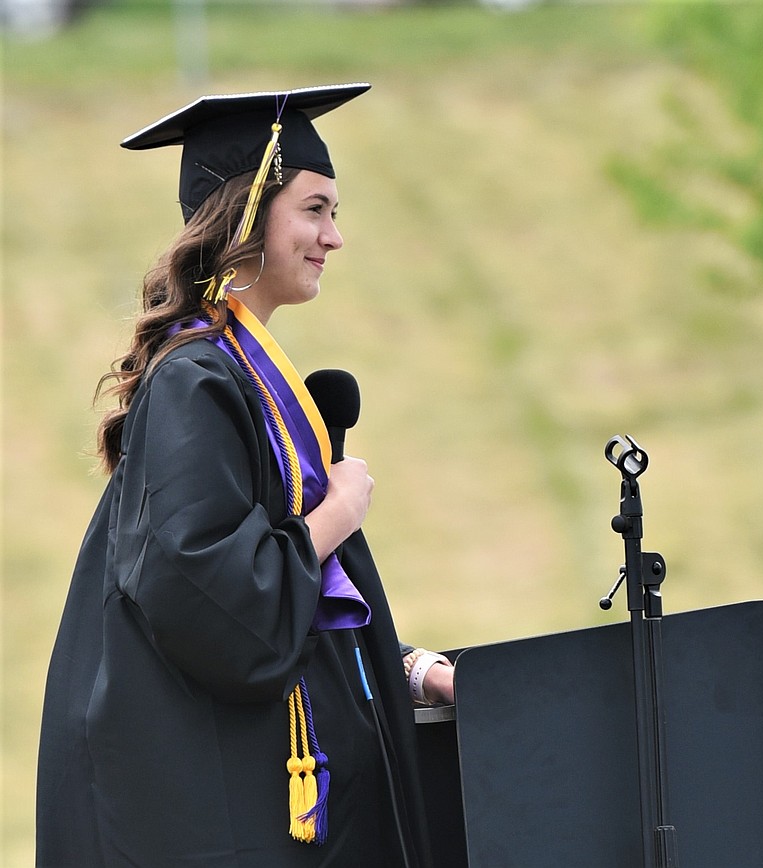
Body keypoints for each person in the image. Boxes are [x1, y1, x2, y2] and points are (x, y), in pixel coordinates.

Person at [36, 83, 454, 868]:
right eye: (315, 209)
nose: (335, 236)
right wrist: (340, 509)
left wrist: (410, 668)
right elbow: (219, 602)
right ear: (248, 213)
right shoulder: (197, 382)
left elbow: (287, 601)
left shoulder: (238, 376)